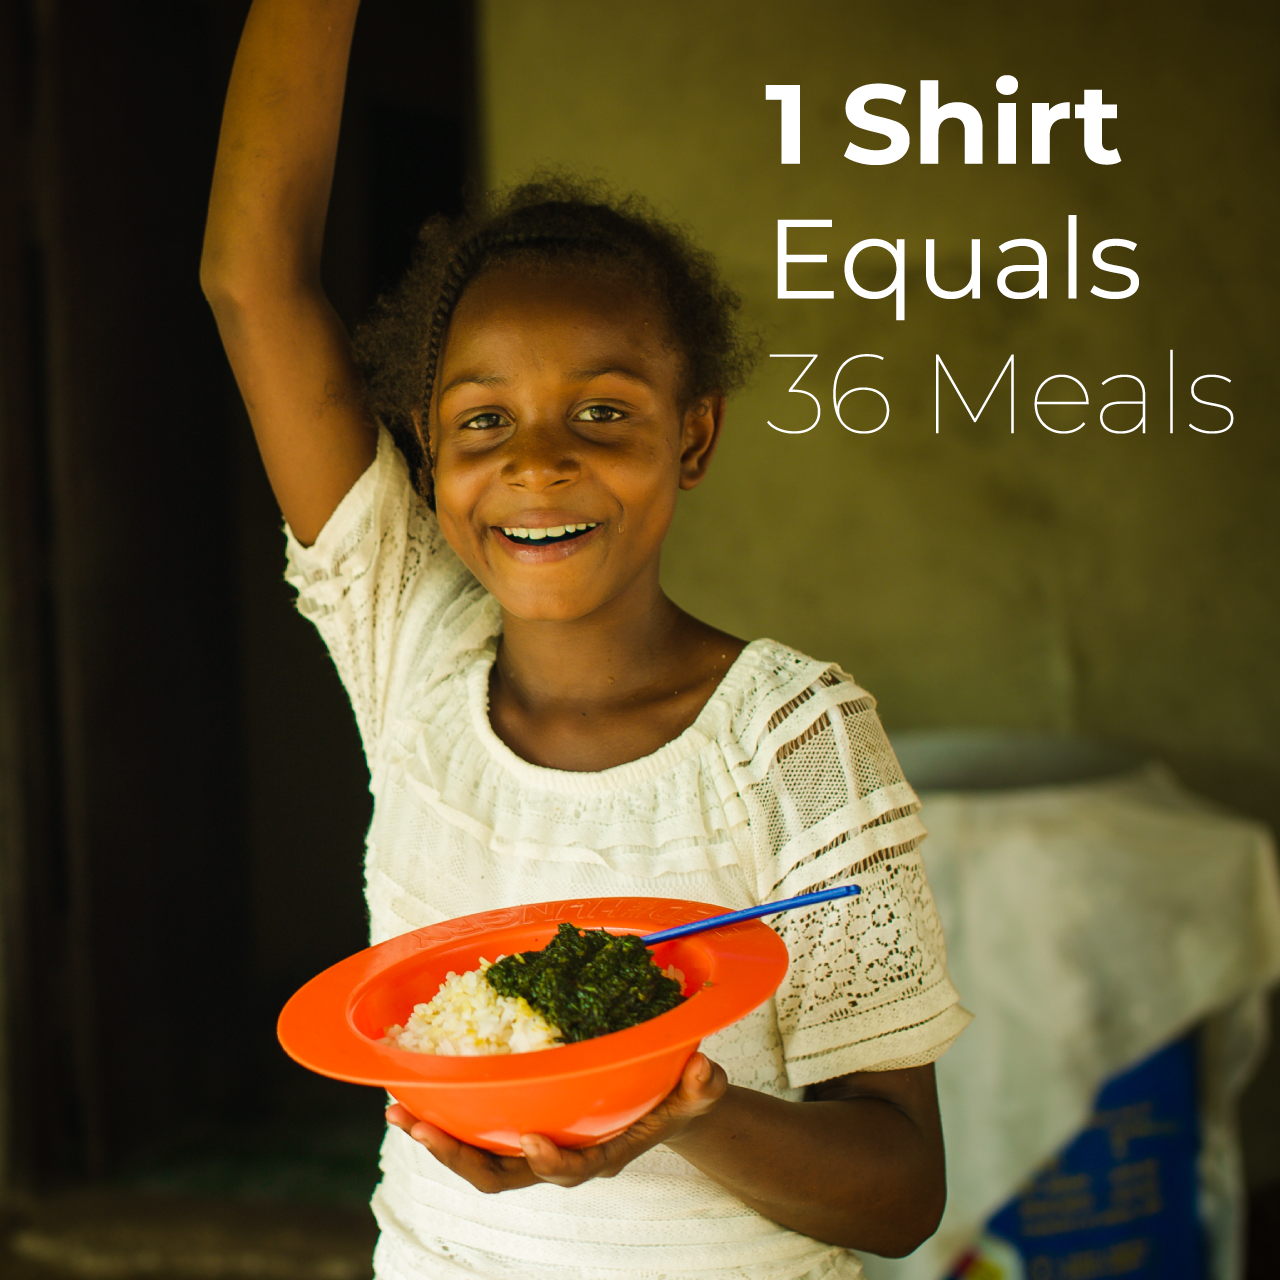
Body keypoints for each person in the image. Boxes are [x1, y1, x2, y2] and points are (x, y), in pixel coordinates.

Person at [201, 3, 970, 1276]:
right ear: (428, 450)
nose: (537, 461)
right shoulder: (411, 654)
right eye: (483, 419)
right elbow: (252, 279)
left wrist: (682, 1107)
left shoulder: (793, 739)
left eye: (601, 410)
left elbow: (896, 1190)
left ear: (693, 435)